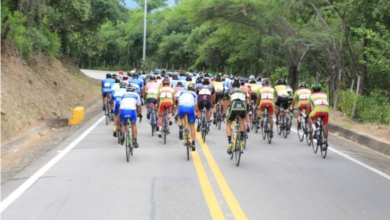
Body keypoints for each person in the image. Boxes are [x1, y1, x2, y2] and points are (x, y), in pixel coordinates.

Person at [223, 78, 247, 154]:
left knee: (228, 124)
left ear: (232, 85)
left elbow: (226, 103)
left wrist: (224, 113)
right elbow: (246, 102)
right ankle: (242, 139)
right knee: (242, 119)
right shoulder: (244, 91)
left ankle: (230, 142)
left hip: (233, 107)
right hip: (243, 107)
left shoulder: (230, 91)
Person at [177, 82, 198, 151]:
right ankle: (193, 143)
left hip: (182, 107)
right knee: (192, 126)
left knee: (180, 117)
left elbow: (178, 103)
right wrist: (196, 112)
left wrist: (177, 111)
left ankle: (180, 127)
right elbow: (195, 105)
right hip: (190, 108)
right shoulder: (194, 94)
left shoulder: (182, 93)